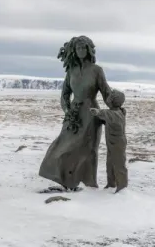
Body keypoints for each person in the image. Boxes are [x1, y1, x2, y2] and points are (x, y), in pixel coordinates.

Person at [39, 36, 112, 192]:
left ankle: (89, 184)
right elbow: (64, 94)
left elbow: (106, 93)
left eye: (83, 48)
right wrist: (67, 110)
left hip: (91, 113)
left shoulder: (96, 70)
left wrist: (115, 106)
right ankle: (65, 179)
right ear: (74, 50)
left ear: (88, 50)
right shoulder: (71, 71)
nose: (80, 51)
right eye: (78, 48)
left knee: (89, 149)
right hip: (73, 114)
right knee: (63, 145)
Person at [90, 89, 128, 193]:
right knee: (110, 164)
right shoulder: (117, 112)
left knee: (119, 165)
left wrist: (97, 112)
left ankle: (122, 187)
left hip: (118, 143)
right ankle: (111, 183)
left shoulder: (114, 114)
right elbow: (107, 119)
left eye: (110, 98)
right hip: (112, 143)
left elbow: (104, 113)